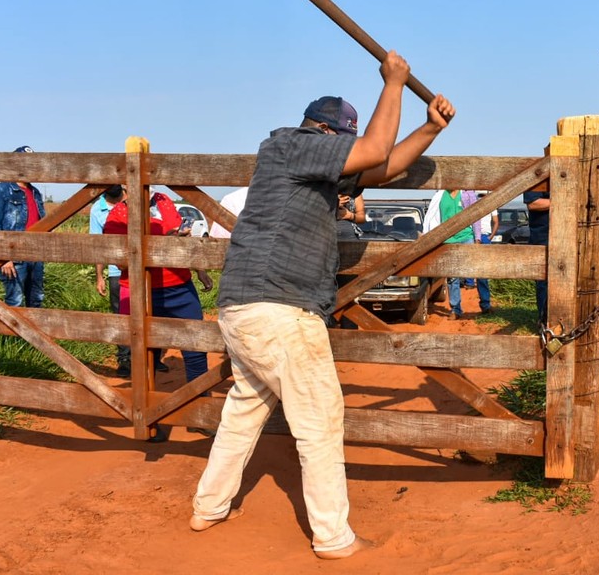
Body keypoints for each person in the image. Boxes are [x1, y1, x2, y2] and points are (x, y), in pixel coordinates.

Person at [190, 50, 455, 560]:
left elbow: (384, 163)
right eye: (347, 141)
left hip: (251, 307)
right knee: (320, 419)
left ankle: (209, 506)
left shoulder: (310, 163)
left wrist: (430, 129)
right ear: (328, 135)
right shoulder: (295, 144)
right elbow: (376, 148)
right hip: (280, 307)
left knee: (245, 409)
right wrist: (394, 82)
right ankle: (333, 537)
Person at [102, 191, 214, 381]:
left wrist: (199, 269)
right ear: (124, 185)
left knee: (195, 346)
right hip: (142, 291)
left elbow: (182, 241)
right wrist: (162, 245)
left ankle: (200, 400)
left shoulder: (163, 200)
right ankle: (147, 406)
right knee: (145, 352)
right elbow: (121, 263)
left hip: (180, 286)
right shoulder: (117, 216)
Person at [0, 146, 46, 308]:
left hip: (36, 254)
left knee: (36, 299)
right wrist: (4, 258)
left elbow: (42, 223)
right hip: (14, 257)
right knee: (15, 302)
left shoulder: (35, 193)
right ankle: (11, 335)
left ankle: (33, 334)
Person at [89, 184, 132, 376]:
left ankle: (151, 356)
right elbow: (99, 245)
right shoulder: (97, 210)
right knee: (121, 315)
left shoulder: (134, 200)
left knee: (149, 311)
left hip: (144, 269)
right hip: (117, 271)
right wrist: (100, 276)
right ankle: (125, 359)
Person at [425, 189, 474, 319]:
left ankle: (485, 304)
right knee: (452, 276)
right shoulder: (440, 195)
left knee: (476, 270)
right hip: (448, 239)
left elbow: (475, 215)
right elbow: (431, 217)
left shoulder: (465, 193)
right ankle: (456, 309)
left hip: (466, 236)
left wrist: (478, 236)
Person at [523, 190, 550, 325]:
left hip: (567, 234)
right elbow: (533, 203)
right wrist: (563, 201)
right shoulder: (536, 177)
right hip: (543, 236)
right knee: (544, 281)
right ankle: (544, 322)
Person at [473, 191, 498, 314]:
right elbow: (496, 221)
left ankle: (485, 303)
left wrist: (490, 237)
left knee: (482, 271)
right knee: (481, 271)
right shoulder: (477, 202)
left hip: (483, 236)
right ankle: (485, 303)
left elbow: (496, 221)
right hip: (480, 236)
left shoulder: (488, 204)